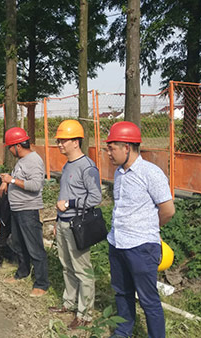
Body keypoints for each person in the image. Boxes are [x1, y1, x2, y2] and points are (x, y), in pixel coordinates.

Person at [105, 121, 175, 338]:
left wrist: (150, 229)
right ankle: (123, 331)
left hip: (141, 248)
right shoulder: (119, 173)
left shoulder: (151, 173)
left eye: (112, 147)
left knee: (148, 300)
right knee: (122, 292)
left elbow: (168, 210)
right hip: (117, 243)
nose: (108, 152)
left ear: (127, 147)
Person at [48, 120, 102, 329]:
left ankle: (85, 314)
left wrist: (70, 204)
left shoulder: (87, 167)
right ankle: (69, 303)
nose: (60, 144)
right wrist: (56, 220)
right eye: (59, 140)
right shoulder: (68, 165)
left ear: (76, 142)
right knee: (66, 266)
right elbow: (64, 194)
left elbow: (95, 198)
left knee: (82, 270)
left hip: (77, 224)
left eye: (63, 140)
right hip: (63, 223)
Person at [0, 127, 49, 297]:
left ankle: (41, 283)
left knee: (35, 247)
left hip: (28, 210)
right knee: (19, 244)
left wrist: (11, 180)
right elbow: (21, 180)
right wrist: (8, 182)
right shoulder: (22, 161)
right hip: (18, 209)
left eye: (10, 148)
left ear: (17, 146)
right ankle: (22, 272)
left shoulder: (33, 160)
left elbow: (35, 186)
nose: (10, 151)